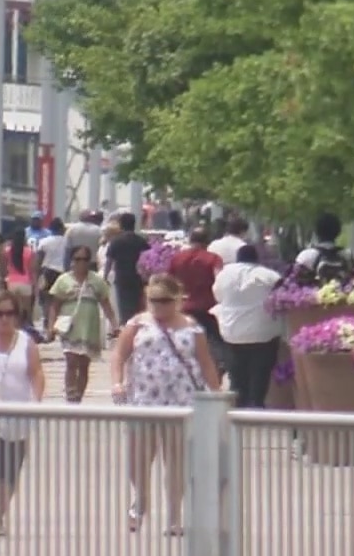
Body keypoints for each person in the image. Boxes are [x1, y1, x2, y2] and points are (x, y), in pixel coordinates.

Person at [110, 274, 221, 536]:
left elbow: (205, 363)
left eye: (164, 301)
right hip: (144, 400)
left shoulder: (192, 328)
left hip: (181, 402)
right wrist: (117, 383)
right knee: (139, 458)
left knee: (176, 460)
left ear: (177, 300)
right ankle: (140, 500)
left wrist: (216, 395)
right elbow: (119, 355)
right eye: (153, 301)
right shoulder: (137, 324)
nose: (158, 306)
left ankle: (173, 516)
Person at [0, 290, 46, 536]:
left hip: (17, 411)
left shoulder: (26, 342)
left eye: (10, 313)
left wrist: (36, 401)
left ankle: (0, 512)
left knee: (10, 468)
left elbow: (36, 372)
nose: (4, 319)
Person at [211, 244, 283, 408]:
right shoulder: (269, 275)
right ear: (257, 259)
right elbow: (280, 297)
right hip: (263, 333)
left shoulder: (224, 274)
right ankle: (257, 403)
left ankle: (239, 404)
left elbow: (218, 296)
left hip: (232, 332)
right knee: (261, 372)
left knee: (236, 373)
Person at [47, 245, 119, 403]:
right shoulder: (63, 280)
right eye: (77, 259)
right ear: (72, 261)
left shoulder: (96, 281)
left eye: (85, 259)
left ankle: (78, 396)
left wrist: (115, 325)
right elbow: (55, 305)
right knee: (71, 361)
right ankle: (70, 394)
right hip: (70, 326)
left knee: (84, 364)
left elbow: (106, 305)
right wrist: (51, 326)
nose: (81, 263)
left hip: (89, 326)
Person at [168, 226, 225, 372]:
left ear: (190, 240)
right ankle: (214, 371)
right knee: (213, 342)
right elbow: (219, 281)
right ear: (208, 241)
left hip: (184, 306)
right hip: (208, 307)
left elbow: (169, 282)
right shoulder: (213, 259)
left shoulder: (177, 258)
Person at [104, 211, 149, 324]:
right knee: (137, 305)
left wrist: (105, 276)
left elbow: (109, 260)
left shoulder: (116, 241)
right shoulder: (141, 240)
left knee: (124, 305)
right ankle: (136, 324)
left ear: (121, 224)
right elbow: (148, 259)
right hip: (138, 277)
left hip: (122, 277)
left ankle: (126, 325)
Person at [294, 212, 353, 282]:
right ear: (338, 232)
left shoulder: (305, 256)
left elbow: (295, 283)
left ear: (317, 232)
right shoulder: (347, 256)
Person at [35, 217, 68, 328]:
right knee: (60, 298)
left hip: (47, 272)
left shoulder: (44, 242)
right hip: (62, 272)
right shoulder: (67, 242)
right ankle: (58, 320)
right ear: (62, 228)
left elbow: (39, 259)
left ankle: (47, 319)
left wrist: (37, 275)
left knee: (46, 298)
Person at [3, 227, 38, 328]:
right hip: (26, 282)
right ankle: (29, 328)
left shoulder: (8, 251)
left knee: (13, 309)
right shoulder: (29, 252)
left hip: (11, 282)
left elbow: (4, 267)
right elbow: (33, 270)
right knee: (27, 311)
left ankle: (13, 327)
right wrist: (35, 286)